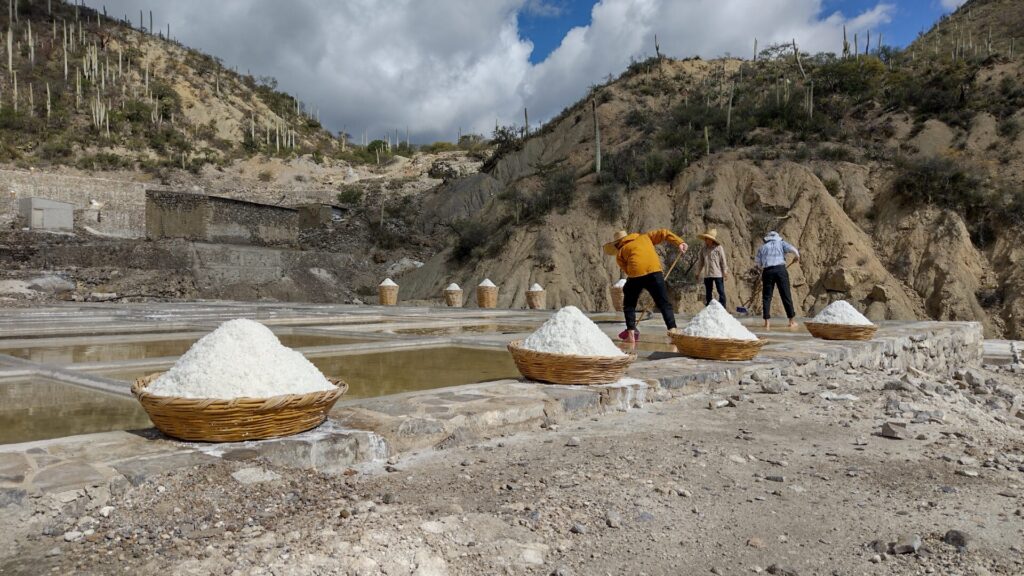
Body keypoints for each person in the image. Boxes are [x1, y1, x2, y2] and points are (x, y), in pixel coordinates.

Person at [603, 229, 688, 342]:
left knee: (629, 304)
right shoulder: (645, 237)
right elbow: (664, 232)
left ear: (618, 244)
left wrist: (637, 278)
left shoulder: (620, 252)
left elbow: (627, 270)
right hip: (654, 272)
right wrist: (680, 242)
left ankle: (631, 334)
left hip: (635, 275)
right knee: (663, 303)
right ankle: (672, 330)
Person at [755, 231, 799, 329]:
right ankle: (791, 321)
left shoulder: (762, 247)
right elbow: (793, 249)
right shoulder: (781, 243)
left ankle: (767, 322)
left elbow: (757, 263)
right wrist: (797, 256)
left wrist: (762, 269)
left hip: (767, 271)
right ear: (777, 237)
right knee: (786, 295)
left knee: (767, 297)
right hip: (780, 270)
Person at [696, 228, 728, 308]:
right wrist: (698, 272)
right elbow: (701, 262)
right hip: (707, 274)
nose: (705, 240)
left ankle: (723, 307)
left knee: (720, 291)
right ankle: (708, 307)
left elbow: (723, 261)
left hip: (717, 273)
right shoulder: (703, 249)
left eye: (707, 238)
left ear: (711, 240)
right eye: (705, 238)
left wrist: (725, 271)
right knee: (708, 292)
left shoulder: (719, 248)